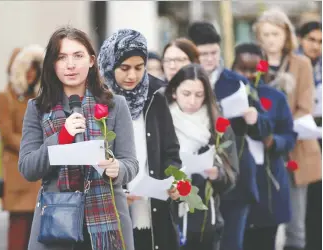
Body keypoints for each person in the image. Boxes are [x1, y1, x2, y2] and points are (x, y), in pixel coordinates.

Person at [18, 26, 138, 250]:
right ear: (52, 64)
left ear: (92, 60)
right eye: (62, 57)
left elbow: (130, 162)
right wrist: (61, 137)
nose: (70, 65)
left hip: (107, 219)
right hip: (57, 218)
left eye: (78, 56)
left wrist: (117, 168)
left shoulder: (115, 105)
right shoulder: (37, 108)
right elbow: (28, 168)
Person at [188, 21, 272, 250]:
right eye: (202, 53)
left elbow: (266, 126)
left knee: (231, 244)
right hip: (196, 180)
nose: (209, 59)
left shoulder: (238, 83)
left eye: (214, 52)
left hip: (235, 179)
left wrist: (254, 119)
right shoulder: (183, 84)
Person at [97, 29, 182, 250]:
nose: (132, 76)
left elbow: (171, 153)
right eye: (124, 68)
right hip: (111, 214)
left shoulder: (156, 95)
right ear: (110, 65)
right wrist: (115, 194)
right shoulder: (97, 100)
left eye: (139, 68)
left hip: (152, 213)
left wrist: (173, 181)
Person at [253, 9, 322, 250]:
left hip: (296, 149)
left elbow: (305, 107)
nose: (271, 39)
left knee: (296, 227)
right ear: (259, 37)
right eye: (266, 34)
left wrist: (278, 130)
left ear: (286, 35)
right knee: (262, 223)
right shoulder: (252, 62)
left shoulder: (300, 63)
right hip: (260, 148)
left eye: (276, 33)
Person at [165, 63, 239, 250]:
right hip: (168, 216)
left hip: (206, 220)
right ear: (174, 92)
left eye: (199, 95)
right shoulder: (162, 120)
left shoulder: (217, 123)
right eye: (186, 94)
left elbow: (232, 174)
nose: (192, 101)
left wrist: (217, 174)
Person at [231, 43, 297, 250]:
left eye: (255, 69)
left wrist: (273, 140)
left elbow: (289, 136)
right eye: (243, 69)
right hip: (236, 182)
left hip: (267, 183)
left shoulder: (275, 97)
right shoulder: (224, 95)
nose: (249, 75)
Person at [0, 45, 44, 250]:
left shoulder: (38, 99)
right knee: (18, 232)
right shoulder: (4, 98)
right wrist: (35, 147)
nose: (31, 73)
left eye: (35, 68)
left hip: (37, 175)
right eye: (27, 68)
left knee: (37, 232)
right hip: (17, 174)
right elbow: (7, 136)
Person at [296, 21, 322, 250]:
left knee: (317, 201)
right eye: (311, 39)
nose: (316, 45)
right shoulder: (293, 64)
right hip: (299, 136)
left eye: (320, 41)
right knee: (301, 203)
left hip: (318, 135)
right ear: (300, 39)